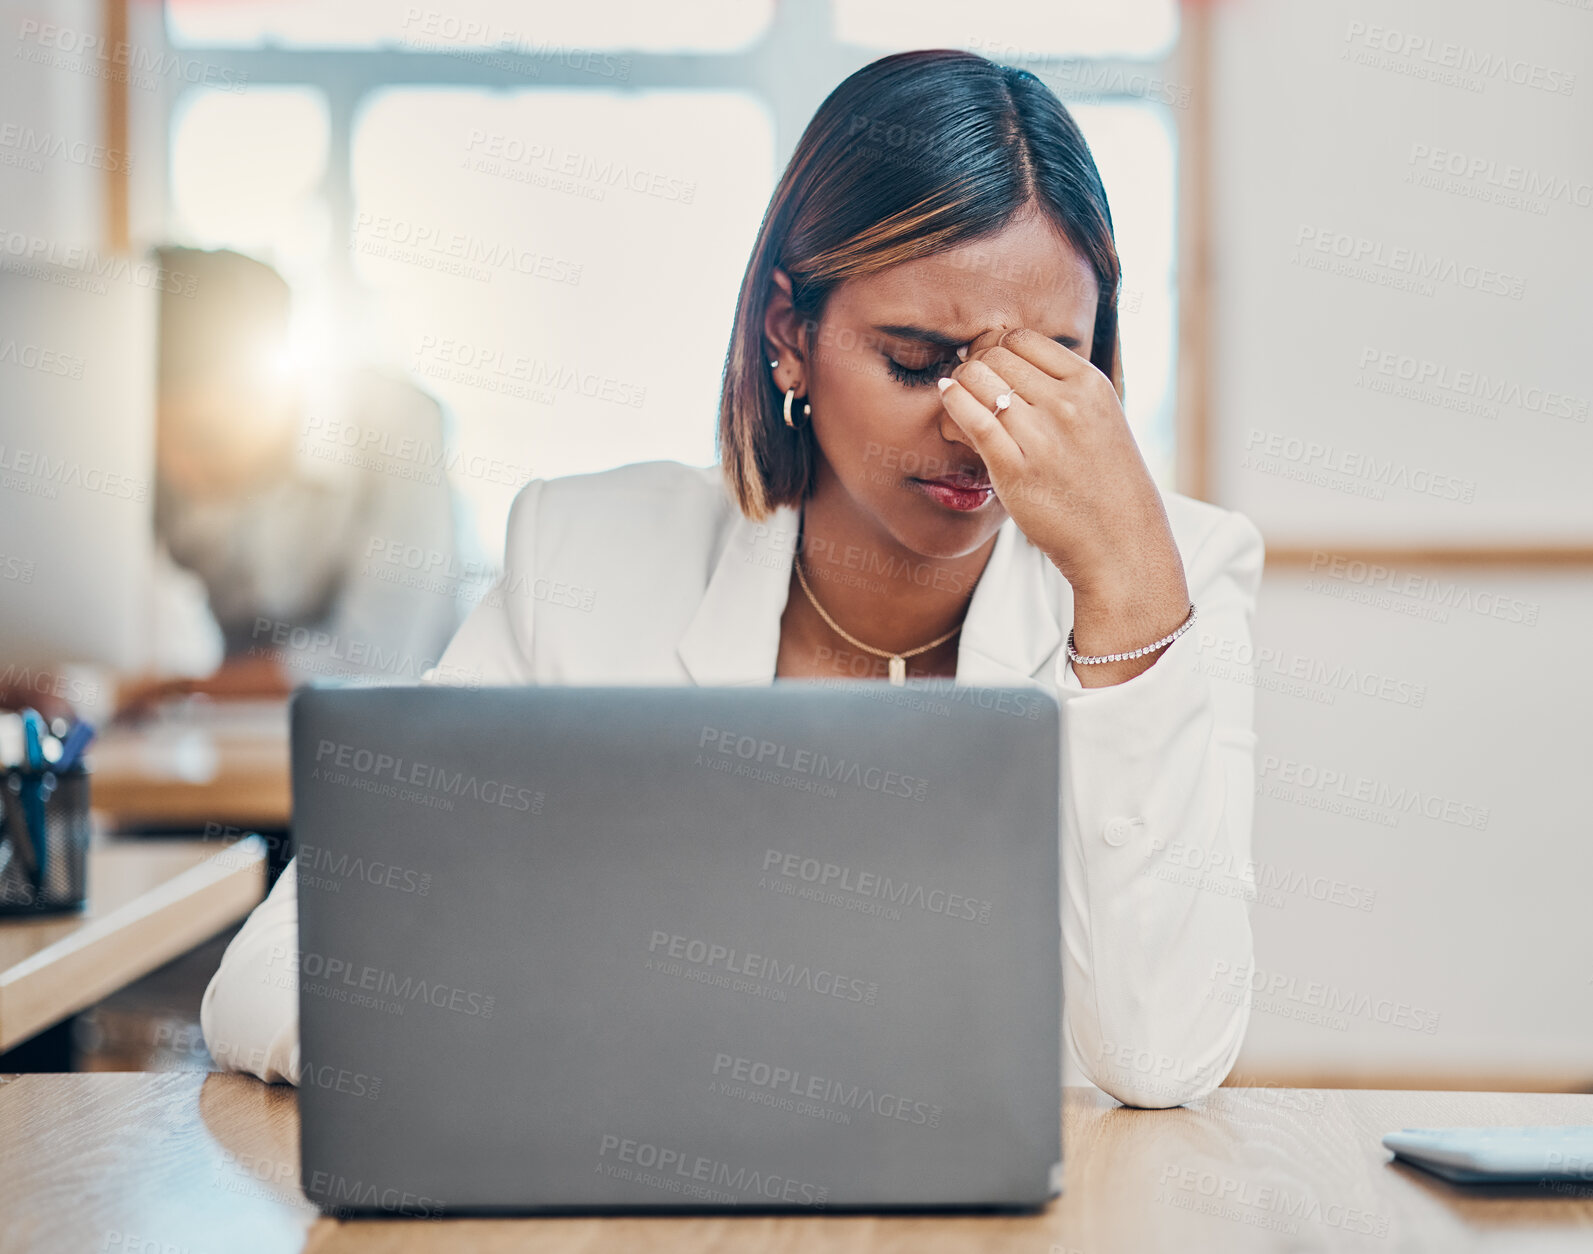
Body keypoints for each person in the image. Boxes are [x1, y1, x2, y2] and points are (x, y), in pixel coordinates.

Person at [200, 49, 1264, 1109]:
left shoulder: (1182, 576)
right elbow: (274, 978)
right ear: (789, 336)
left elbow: (1161, 1055)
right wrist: (592, 1044)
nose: (979, 424)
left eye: (1048, 367)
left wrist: (1124, 595)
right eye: (919, 360)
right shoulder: (583, 556)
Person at [121, 247, 467, 709]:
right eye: (162, 448)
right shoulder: (170, 458)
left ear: (267, 385)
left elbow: (380, 661)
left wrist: (185, 689)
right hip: (249, 739)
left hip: (416, 739)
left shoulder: (399, 426)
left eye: (203, 439)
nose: (181, 471)